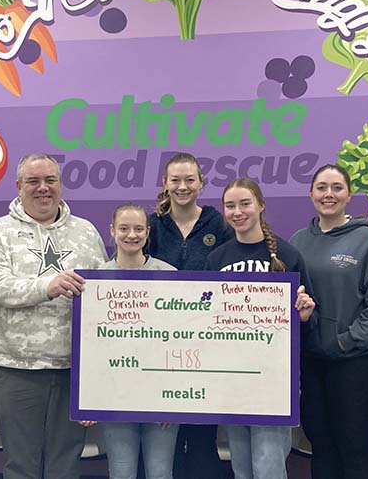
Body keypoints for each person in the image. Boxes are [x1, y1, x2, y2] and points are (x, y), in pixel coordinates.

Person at [0, 153, 108, 479]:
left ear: (60, 185)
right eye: (33, 181)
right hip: (18, 371)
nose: (43, 188)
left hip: (71, 372)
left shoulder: (86, 232)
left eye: (50, 180)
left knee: (66, 464)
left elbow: (104, 296)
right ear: (19, 187)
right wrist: (48, 285)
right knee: (22, 465)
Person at [290, 164, 368, 479]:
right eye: (321, 187)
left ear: (349, 194)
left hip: (356, 364)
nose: (329, 194)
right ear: (311, 194)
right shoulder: (297, 241)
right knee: (320, 446)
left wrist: (343, 342)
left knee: (356, 449)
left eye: (336, 187)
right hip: (312, 363)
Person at [205, 178, 315, 479]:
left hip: (274, 379)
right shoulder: (216, 259)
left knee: (268, 468)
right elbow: (204, 320)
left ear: (260, 206)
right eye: (230, 206)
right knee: (241, 468)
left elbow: (307, 323)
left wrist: (304, 316)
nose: (238, 212)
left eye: (245, 204)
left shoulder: (288, 255)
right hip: (232, 378)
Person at [148, 152, 233, 479]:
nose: (182, 187)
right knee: (162, 439)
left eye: (189, 180)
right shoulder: (151, 225)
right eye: (175, 180)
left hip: (206, 346)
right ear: (165, 184)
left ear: (201, 183)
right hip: (158, 346)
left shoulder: (220, 225)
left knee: (201, 438)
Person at [95, 203, 180, 479]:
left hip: (161, 396)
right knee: (121, 473)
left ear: (147, 233)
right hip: (115, 395)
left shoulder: (170, 276)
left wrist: (172, 398)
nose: (131, 235)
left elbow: (181, 340)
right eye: (124, 228)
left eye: (138, 229)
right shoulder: (95, 280)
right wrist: (88, 397)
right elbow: (90, 345)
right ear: (112, 231)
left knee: (159, 473)